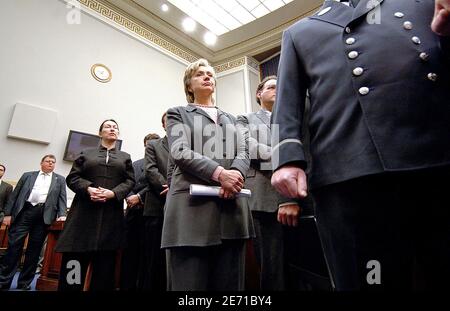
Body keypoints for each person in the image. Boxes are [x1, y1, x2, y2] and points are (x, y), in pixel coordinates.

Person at [271, 0, 450, 290]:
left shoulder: (422, 3)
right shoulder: (300, 31)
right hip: (348, 169)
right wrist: (287, 158)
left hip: (435, 156)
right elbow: (288, 104)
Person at [163, 58, 254, 291]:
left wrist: (234, 174)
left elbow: (244, 150)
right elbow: (179, 151)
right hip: (191, 211)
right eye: (199, 74)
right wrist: (220, 174)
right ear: (189, 86)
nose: (206, 77)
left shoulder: (234, 119)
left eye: (210, 74)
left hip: (231, 209)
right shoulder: (177, 113)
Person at [237, 76, 300, 290]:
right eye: (271, 87)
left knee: (303, 262)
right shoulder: (244, 119)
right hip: (263, 197)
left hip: (302, 195)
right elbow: (249, 146)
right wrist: (288, 155)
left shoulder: (296, 116)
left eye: (279, 87)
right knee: (272, 266)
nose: (276, 90)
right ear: (259, 94)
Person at [56, 119, 135, 291]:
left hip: (110, 219)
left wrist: (113, 193)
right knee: (74, 267)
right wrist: (89, 189)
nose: (112, 129)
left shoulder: (125, 157)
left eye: (115, 127)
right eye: (108, 126)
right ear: (100, 133)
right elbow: (73, 178)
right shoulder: (86, 153)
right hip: (82, 218)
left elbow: (130, 181)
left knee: (104, 271)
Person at [0, 155, 67, 290]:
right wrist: (7, 214)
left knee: (34, 251)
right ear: (41, 163)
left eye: (53, 162)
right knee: (13, 248)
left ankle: (24, 283)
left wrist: (62, 214)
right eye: (48, 161)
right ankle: (4, 282)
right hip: (24, 212)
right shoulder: (27, 175)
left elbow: (62, 198)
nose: (51, 164)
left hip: (43, 217)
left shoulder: (59, 179)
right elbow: (15, 195)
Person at [120, 132, 159, 290]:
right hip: (133, 215)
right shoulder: (134, 164)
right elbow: (126, 183)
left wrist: (140, 197)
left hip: (152, 215)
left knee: (148, 257)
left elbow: (157, 185)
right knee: (129, 254)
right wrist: (130, 197)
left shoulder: (162, 165)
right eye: (148, 145)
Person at [140, 114, 168, 291]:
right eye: (169, 120)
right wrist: (170, 187)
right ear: (164, 126)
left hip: (182, 207)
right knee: (152, 257)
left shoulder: (187, 146)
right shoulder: (153, 145)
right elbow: (150, 171)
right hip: (157, 206)